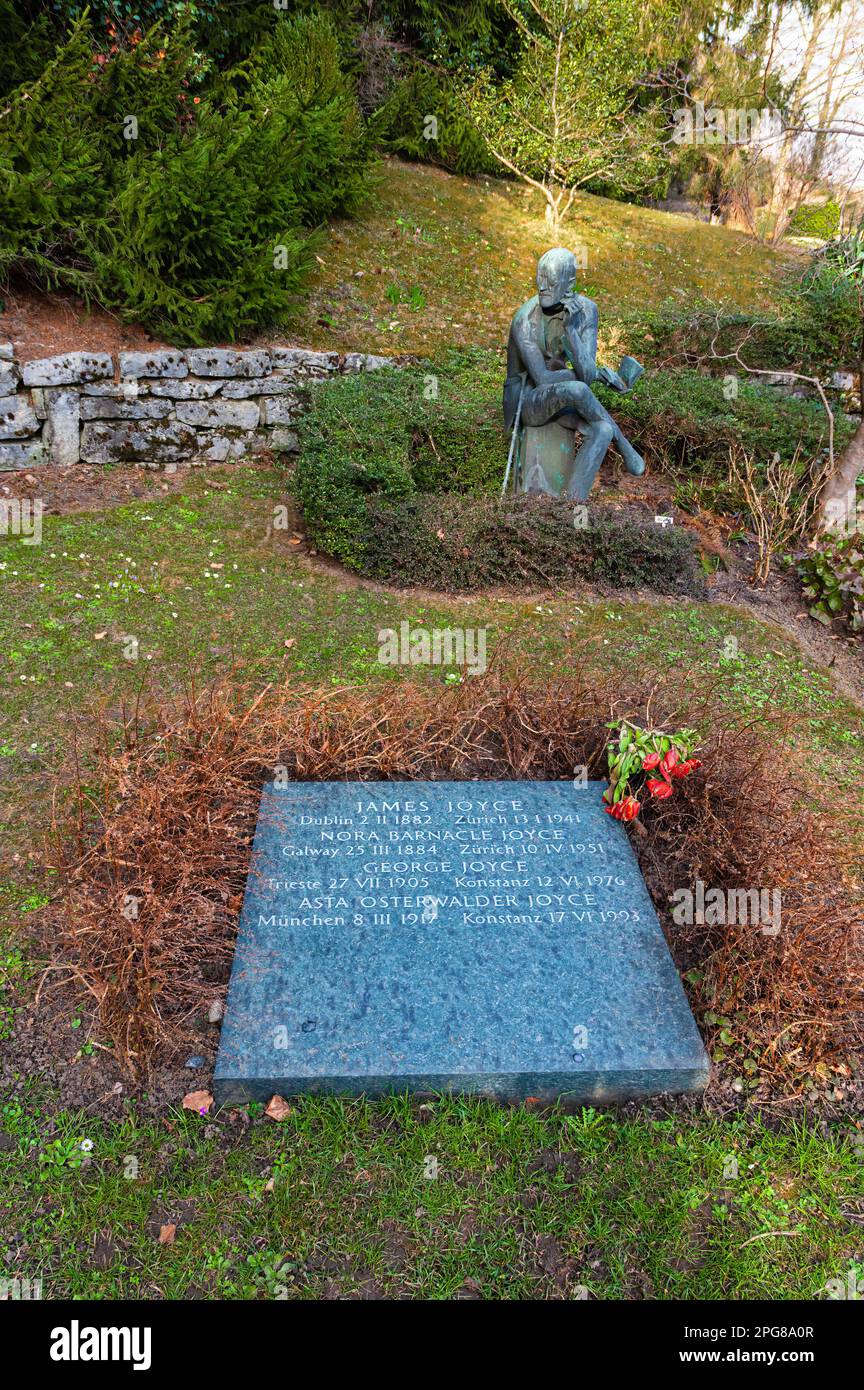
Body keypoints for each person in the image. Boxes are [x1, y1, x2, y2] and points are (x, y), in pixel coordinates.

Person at [504, 247, 645, 500]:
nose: (543, 286)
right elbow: (544, 379)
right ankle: (625, 447)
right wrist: (597, 375)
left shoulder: (586, 311)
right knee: (578, 389)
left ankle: (571, 505)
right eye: (540, 277)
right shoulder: (524, 320)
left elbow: (586, 372)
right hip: (529, 402)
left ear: (569, 284)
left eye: (551, 280)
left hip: (564, 403)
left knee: (602, 431)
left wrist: (571, 332)